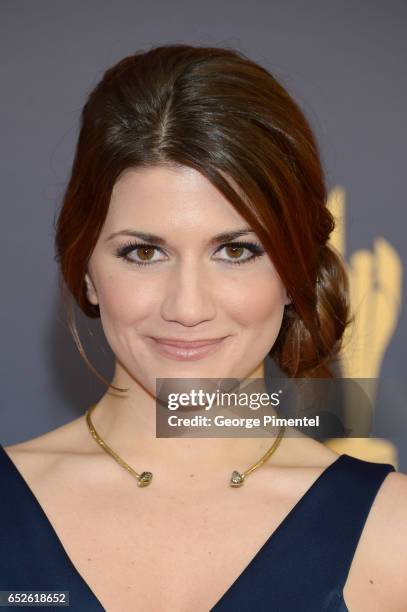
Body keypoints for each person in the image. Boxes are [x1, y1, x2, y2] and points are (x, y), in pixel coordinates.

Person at [0, 43, 406, 612]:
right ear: (86, 268)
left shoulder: (395, 535)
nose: (187, 307)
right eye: (143, 252)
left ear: (294, 271)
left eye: (236, 250)